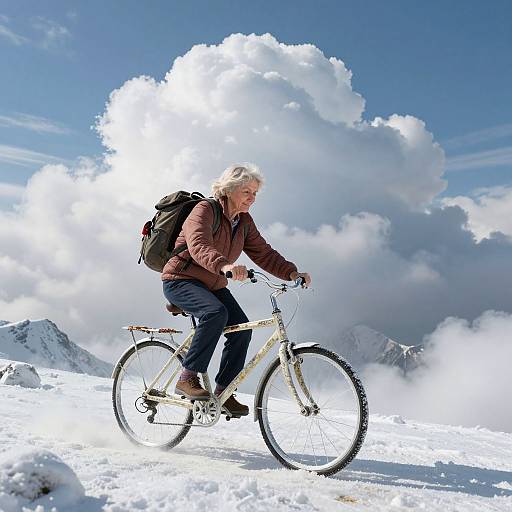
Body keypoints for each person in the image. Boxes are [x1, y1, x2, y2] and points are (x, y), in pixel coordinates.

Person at [162, 163, 311, 416]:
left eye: (255, 193)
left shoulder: (243, 221)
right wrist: (225, 266)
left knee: (241, 329)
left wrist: (291, 272)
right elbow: (198, 244)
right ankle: (187, 378)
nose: (252, 198)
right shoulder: (204, 210)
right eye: (247, 192)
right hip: (180, 279)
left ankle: (223, 393)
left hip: (213, 285)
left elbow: (263, 253)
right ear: (229, 190)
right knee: (216, 314)